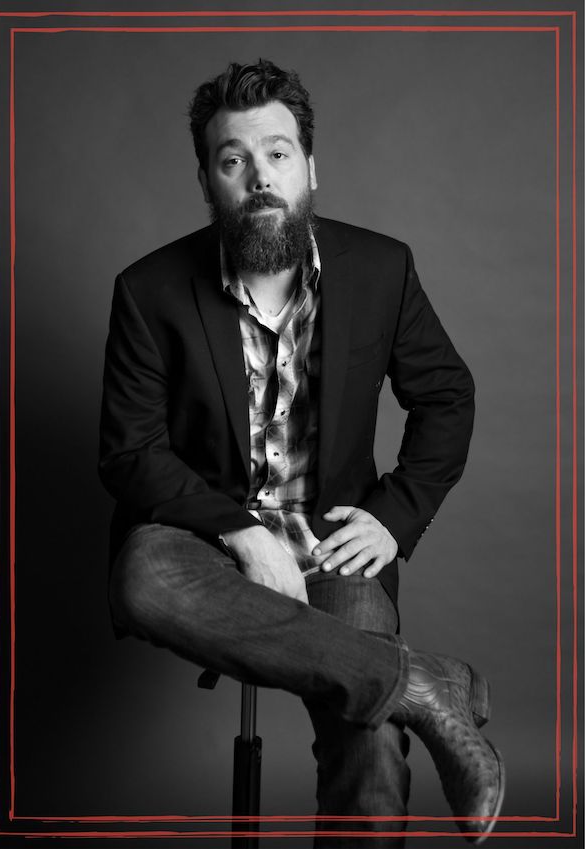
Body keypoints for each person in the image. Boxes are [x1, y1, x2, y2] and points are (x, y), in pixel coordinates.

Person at [99, 59, 504, 846]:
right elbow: (128, 452)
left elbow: (447, 396)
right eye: (233, 159)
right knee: (142, 575)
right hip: (203, 541)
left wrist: (396, 514)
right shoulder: (148, 291)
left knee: (371, 738)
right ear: (207, 180)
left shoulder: (383, 270)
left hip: (333, 540)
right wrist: (239, 530)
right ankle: (423, 684)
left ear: (311, 166)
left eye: (277, 152)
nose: (259, 176)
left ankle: (394, 691)